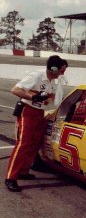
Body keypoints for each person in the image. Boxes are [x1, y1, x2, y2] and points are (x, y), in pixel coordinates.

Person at [4, 55, 67, 192]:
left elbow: (55, 100)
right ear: (53, 69)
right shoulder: (36, 75)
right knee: (23, 144)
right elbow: (15, 90)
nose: (63, 73)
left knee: (35, 142)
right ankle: (11, 178)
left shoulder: (55, 81)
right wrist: (33, 96)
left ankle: (23, 171)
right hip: (27, 111)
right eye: (62, 70)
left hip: (40, 112)